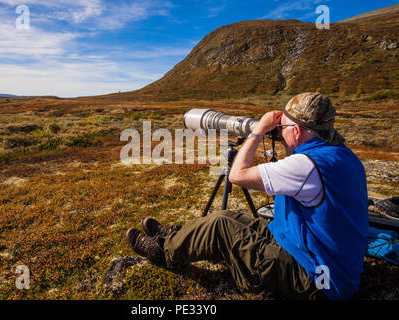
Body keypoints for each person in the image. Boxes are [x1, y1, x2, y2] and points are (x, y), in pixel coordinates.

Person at [125, 92, 369, 300]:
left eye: (281, 128)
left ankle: (163, 251)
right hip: (322, 257)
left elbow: (237, 175)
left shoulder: (305, 165)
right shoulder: (341, 154)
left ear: (295, 131)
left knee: (221, 226)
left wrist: (259, 130)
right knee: (230, 216)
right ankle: (174, 235)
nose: (278, 133)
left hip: (319, 279)